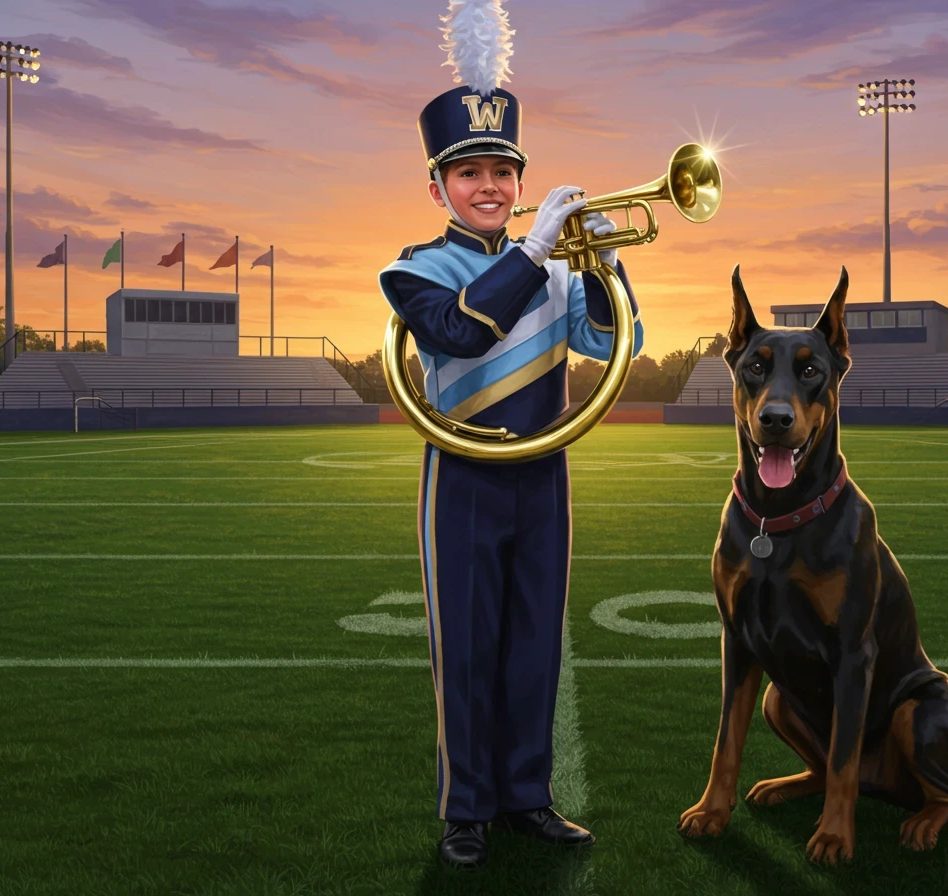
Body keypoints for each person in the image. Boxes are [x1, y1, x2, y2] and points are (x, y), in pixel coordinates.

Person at [376, 0, 643, 870]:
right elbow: (456, 332)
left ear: (520, 179)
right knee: (468, 643)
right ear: (436, 187)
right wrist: (533, 252)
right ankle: (467, 808)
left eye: (501, 171)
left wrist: (605, 265)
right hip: (460, 476)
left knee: (534, 641)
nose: (487, 187)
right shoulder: (414, 267)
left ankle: (528, 797)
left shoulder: (560, 267)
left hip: (543, 473)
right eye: (468, 174)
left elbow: (607, 344)